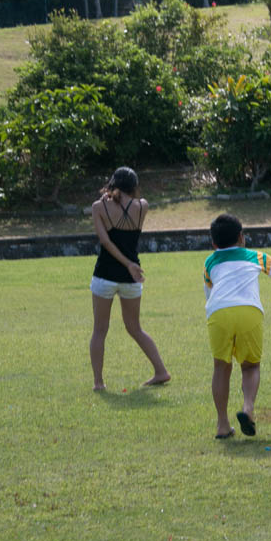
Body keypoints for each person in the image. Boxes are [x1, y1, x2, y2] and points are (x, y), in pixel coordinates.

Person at [204, 214, 271, 439]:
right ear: (241, 237)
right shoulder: (253, 256)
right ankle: (247, 409)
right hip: (249, 311)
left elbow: (209, 293)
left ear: (213, 243)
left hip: (218, 311)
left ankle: (222, 425)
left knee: (221, 367)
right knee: (250, 367)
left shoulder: (210, 262)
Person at [89, 166, 171, 391]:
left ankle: (98, 383)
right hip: (132, 278)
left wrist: (126, 264)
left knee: (99, 330)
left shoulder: (99, 207)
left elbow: (106, 242)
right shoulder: (143, 206)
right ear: (134, 186)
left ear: (113, 183)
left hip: (105, 275)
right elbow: (129, 204)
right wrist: (130, 266)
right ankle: (161, 371)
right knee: (135, 328)